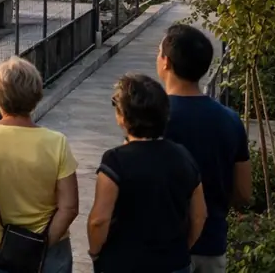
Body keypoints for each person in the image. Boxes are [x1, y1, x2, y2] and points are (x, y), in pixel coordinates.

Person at [0, 56, 79, 273]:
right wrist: (39, 246)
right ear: (36, 95)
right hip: (49, 250)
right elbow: (69, 207)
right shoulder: (57, 142)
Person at [87, 74, 207, 273]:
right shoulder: (182, 155)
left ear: (123, 118)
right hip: (174, 264)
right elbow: (199, 215)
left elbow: (98, 220)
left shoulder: (115, 161)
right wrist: (181, 250)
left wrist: (95, 253)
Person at [157, 24, 252, 273]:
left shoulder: (152, 120)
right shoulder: (230, 119)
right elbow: (244, 192)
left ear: (166, 62)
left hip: (162, 248)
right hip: (212, 244)